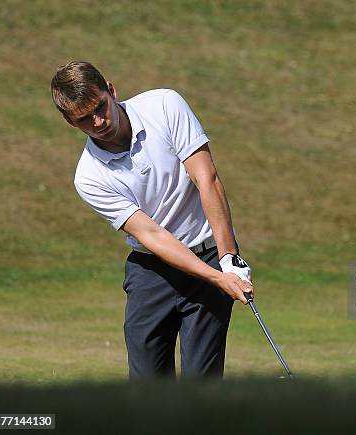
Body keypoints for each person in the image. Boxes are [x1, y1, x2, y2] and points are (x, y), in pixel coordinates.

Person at [50, 60, 254, 380]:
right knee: (148, 386)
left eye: (101, 106)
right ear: (71, 123)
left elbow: (207, 179)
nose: (99, 121)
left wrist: (228, 259)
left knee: (202, 384)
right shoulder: (89, 177)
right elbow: (152, 234)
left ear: (112, 91)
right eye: (84, 119)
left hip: (210, 253)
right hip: (151, 272)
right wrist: (217, 279)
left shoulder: (164, 105)